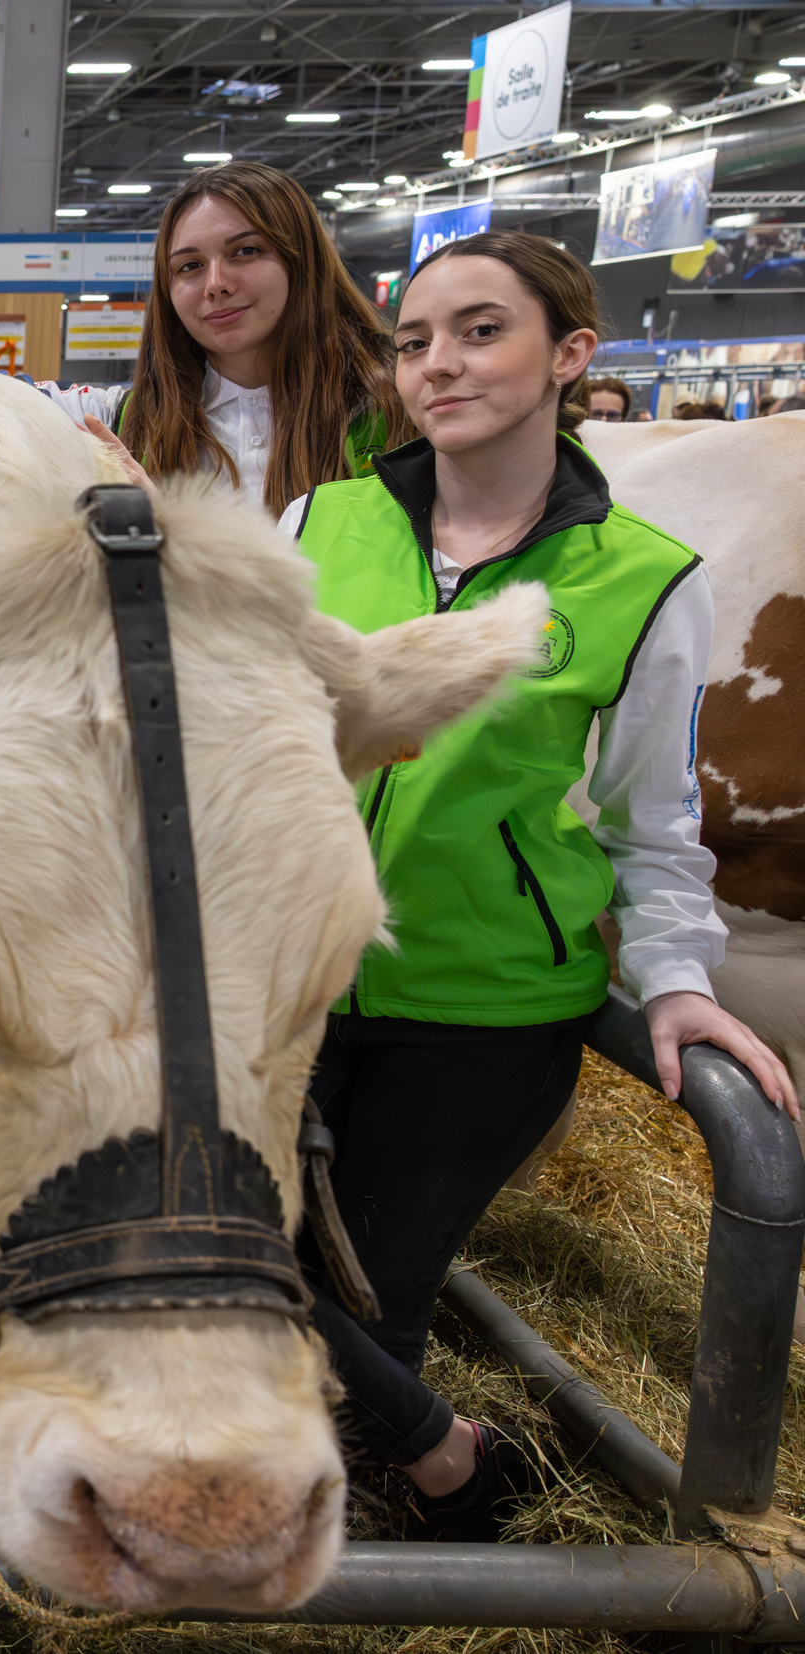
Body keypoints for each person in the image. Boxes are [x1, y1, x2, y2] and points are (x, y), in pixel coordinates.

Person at [279, 230, 798, 1540]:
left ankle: (373, 1563)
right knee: (224, 1255)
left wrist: (676, 983)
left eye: (479, 330)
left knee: (377, 1306)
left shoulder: (640, 579)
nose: (439, 363)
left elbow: (655, 822)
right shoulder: (319, 523)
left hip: (484, 1005)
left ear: (574, 352)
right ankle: (451, 1453)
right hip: (285, 973)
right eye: (413, 340)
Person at [48, 159, 403, 515]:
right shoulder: (113, 418)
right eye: (190, 266)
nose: (216, 284)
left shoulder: (399, 406)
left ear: (304, 261)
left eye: (246, 251)